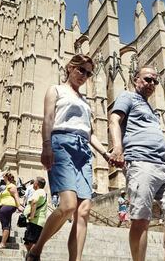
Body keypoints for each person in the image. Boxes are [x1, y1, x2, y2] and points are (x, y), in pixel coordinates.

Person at [26, 54, 110, 261]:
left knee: (84, 210)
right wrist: (46, 146)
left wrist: (106, 154)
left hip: (83, 150)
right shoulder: (56, 90)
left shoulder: (84, 100)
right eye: (81, 69)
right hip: (61, 144)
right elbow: (48, 119)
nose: (84, 75)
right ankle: (36, 250)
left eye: (89, 73)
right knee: (68, 205)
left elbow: (89, 132)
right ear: (70, 68)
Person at [109, 66, 165, 261]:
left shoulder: (150, 108)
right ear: (135, 79)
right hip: (140, 160)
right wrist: (118, 148)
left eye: (155, 81)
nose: (151, 84)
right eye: (147, 79)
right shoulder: (127, 97)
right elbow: (114, 120)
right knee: (141, 219)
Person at [23, 177, 47, 252]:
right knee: (29, 242)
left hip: (35, 221)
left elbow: (34, 202)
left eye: (34, 182)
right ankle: (31, 256)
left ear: (36, 184)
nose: (33, 184)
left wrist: (32, 216)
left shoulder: (38, 192)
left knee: (31, 242)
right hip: (37, 221)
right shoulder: (43, 192)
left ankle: (32, 257)